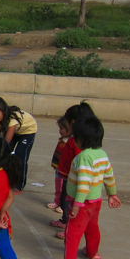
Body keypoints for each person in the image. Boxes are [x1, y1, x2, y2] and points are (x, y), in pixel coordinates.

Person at [45, 115, 121, 259]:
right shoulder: (102, 154)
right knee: (92, 227)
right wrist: (112, 194)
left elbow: (84, 183)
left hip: (82, 203)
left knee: (72, 234)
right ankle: (92, 253)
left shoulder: (83, 157)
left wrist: (77, 204)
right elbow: (109, 175)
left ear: (79, 139)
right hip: (96, 202)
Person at [49, 101, 96, 238]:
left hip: (73, 180)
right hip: (68, 178)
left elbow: (79, 165)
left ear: (73, 122)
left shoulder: (78, 143)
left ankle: (71, 230)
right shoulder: (74, 139)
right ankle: (68, 225)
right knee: (66, 203)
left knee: (71, 206)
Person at [0, 97, 37, 191]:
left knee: (20, 156)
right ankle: (4, 178)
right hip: (15, 131)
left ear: (3, 111)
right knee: (5, 155)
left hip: (28, 132)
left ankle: (19, 185)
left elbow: (5, 143)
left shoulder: (12, 119)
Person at [47, 116, 70, 213]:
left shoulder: (70, 142)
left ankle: (64, 204)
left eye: (62, 128)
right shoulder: (62, 140)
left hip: (66, 170)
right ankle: (57, 200)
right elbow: (57, 153)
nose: (60, 131)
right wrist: (55, 164)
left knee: (65, 188)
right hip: (59, 168)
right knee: (58, 185)